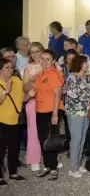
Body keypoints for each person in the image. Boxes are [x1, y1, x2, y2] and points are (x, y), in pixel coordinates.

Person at [34, 49, 65, 180]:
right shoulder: (40, 74)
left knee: (51, 139)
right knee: (42, 139)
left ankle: (53, 167)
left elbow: (58, 93)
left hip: (51, 110)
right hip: (40, 109)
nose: (44, 61)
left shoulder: (54, 74)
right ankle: (47, 165)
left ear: (53, 61)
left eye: (48, 59)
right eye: (42, 58)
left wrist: (55, 114)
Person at [0, 58, 31, 186]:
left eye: (11, 67)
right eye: (7, 67)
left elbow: (22, 99)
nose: (10, 70)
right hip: (1, 121)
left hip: (15, 120)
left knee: (14, 147)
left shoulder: (17, 80)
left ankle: (13, 172)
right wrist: (5, 92)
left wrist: (30, 95)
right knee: (1, 149)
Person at [64, 55, 90, 178]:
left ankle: (78, 164)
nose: (87, 65)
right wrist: (88, 99)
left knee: (82, 139)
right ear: (79, 64)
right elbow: (72, 95)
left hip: (86, 112)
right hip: (75, 113)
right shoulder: (71, 78)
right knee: (76, 139)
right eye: (85, 63)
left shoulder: (87, 78)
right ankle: (72, 168)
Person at [22, 42, 44, 172]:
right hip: (33, 101)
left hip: (48, 101)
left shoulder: (50, 64)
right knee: (33, 131)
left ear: (42, 51)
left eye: (37, 51)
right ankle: (34, 159)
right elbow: (24, 88)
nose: (35, 54)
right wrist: (32, 80)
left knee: (49, 129)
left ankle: (52, 158)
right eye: (32, 52)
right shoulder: (28, 68)